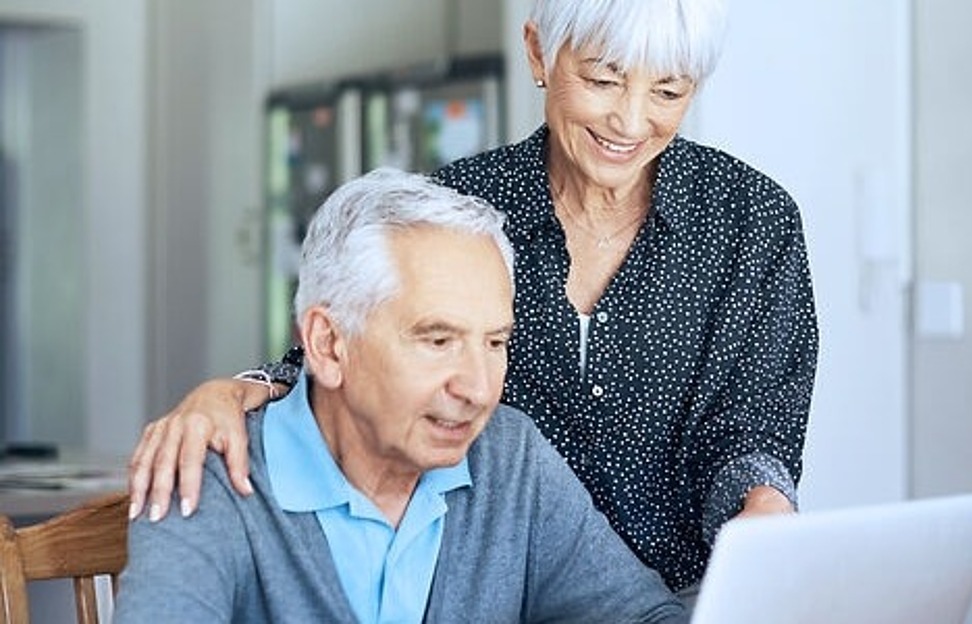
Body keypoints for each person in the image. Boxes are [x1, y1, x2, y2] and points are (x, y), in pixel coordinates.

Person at [127, 0, 819, 595]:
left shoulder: (752, 220)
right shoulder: (461, 206)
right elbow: (348, 355)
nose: (631, 122)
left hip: (671, 602)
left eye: (668, 92)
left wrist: (765, 512)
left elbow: (753, 432)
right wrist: (232, 393)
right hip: (478, 593)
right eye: (604, 80)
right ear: (539, 52)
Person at [113, 168, 686, 623]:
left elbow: (644, 616)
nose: (479, 389)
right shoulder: (209, 473)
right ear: (329, 344)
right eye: (437, 340)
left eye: (494, 342)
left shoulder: (510, 459)